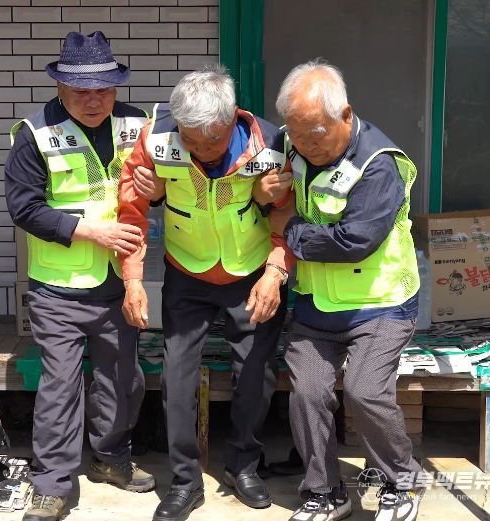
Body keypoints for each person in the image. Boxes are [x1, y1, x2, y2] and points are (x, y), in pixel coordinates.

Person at [118, 66, 290, 521]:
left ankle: (243, 466)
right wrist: (133, 279)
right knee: (177, 376)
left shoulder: (270, 144)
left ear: (232, 117)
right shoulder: (156, 138)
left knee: (256, 373)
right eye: (190, 140)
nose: (200, 150)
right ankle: (184, 481)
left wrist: (276, 270)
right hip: (187, 270)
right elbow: (131, 212)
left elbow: (289, 214)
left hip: (250, 271)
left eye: (211, 141)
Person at [262, 59, 424, 521]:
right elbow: (268, 197)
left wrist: (290, 228)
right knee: (307, 393)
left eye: (316, 134)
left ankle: (402, 483)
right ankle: (325, 492)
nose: (306, 145)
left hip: (381, 303)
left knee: (365, 390)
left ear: (345, 115)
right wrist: (263, 194)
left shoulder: (378, 165)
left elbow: (354, 242)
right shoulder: (289, 143)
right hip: (318, 305)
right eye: (297, 135)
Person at [5, 31, 155, 521]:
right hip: (58, 288)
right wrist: (90, 231)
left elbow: (163, 194)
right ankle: (52, 484)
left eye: (103, 90)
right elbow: (24, 208)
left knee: (123, 379)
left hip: (118, 282)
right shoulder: (34, 134)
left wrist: (158, 188)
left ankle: (110, 459)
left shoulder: (139, 123)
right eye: (81, 92)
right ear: (60, 88)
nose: (94, 101)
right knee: (61, 387)